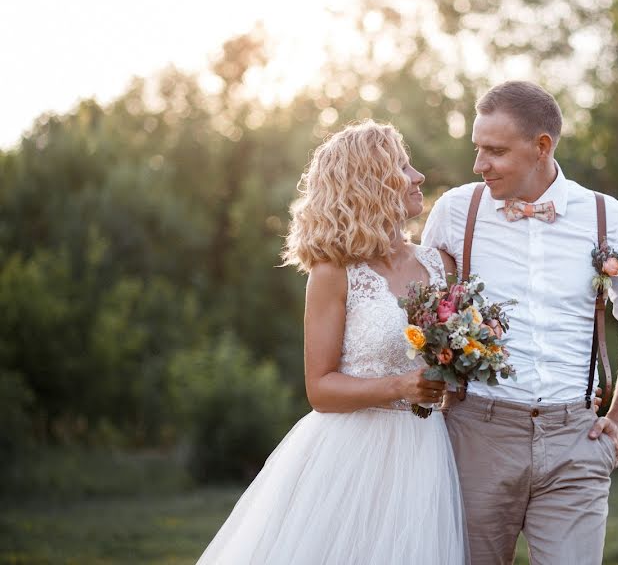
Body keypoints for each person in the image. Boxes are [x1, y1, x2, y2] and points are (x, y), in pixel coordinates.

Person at [197, 120, 467, 564]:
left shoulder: (441, 265)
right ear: (371, 183)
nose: (418, 176)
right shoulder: (333, 273)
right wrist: (401, 386)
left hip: (425, 454)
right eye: (403, 165)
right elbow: (320, 389)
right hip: (349, 455)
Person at [422, 81, 618, 564]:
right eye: (477, 149)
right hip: (476, 437)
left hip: (575, 441)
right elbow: (423, 313)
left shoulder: (612, 221)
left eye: (495, 151)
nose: (479, 164)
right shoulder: (454, 212)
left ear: (542, 147)